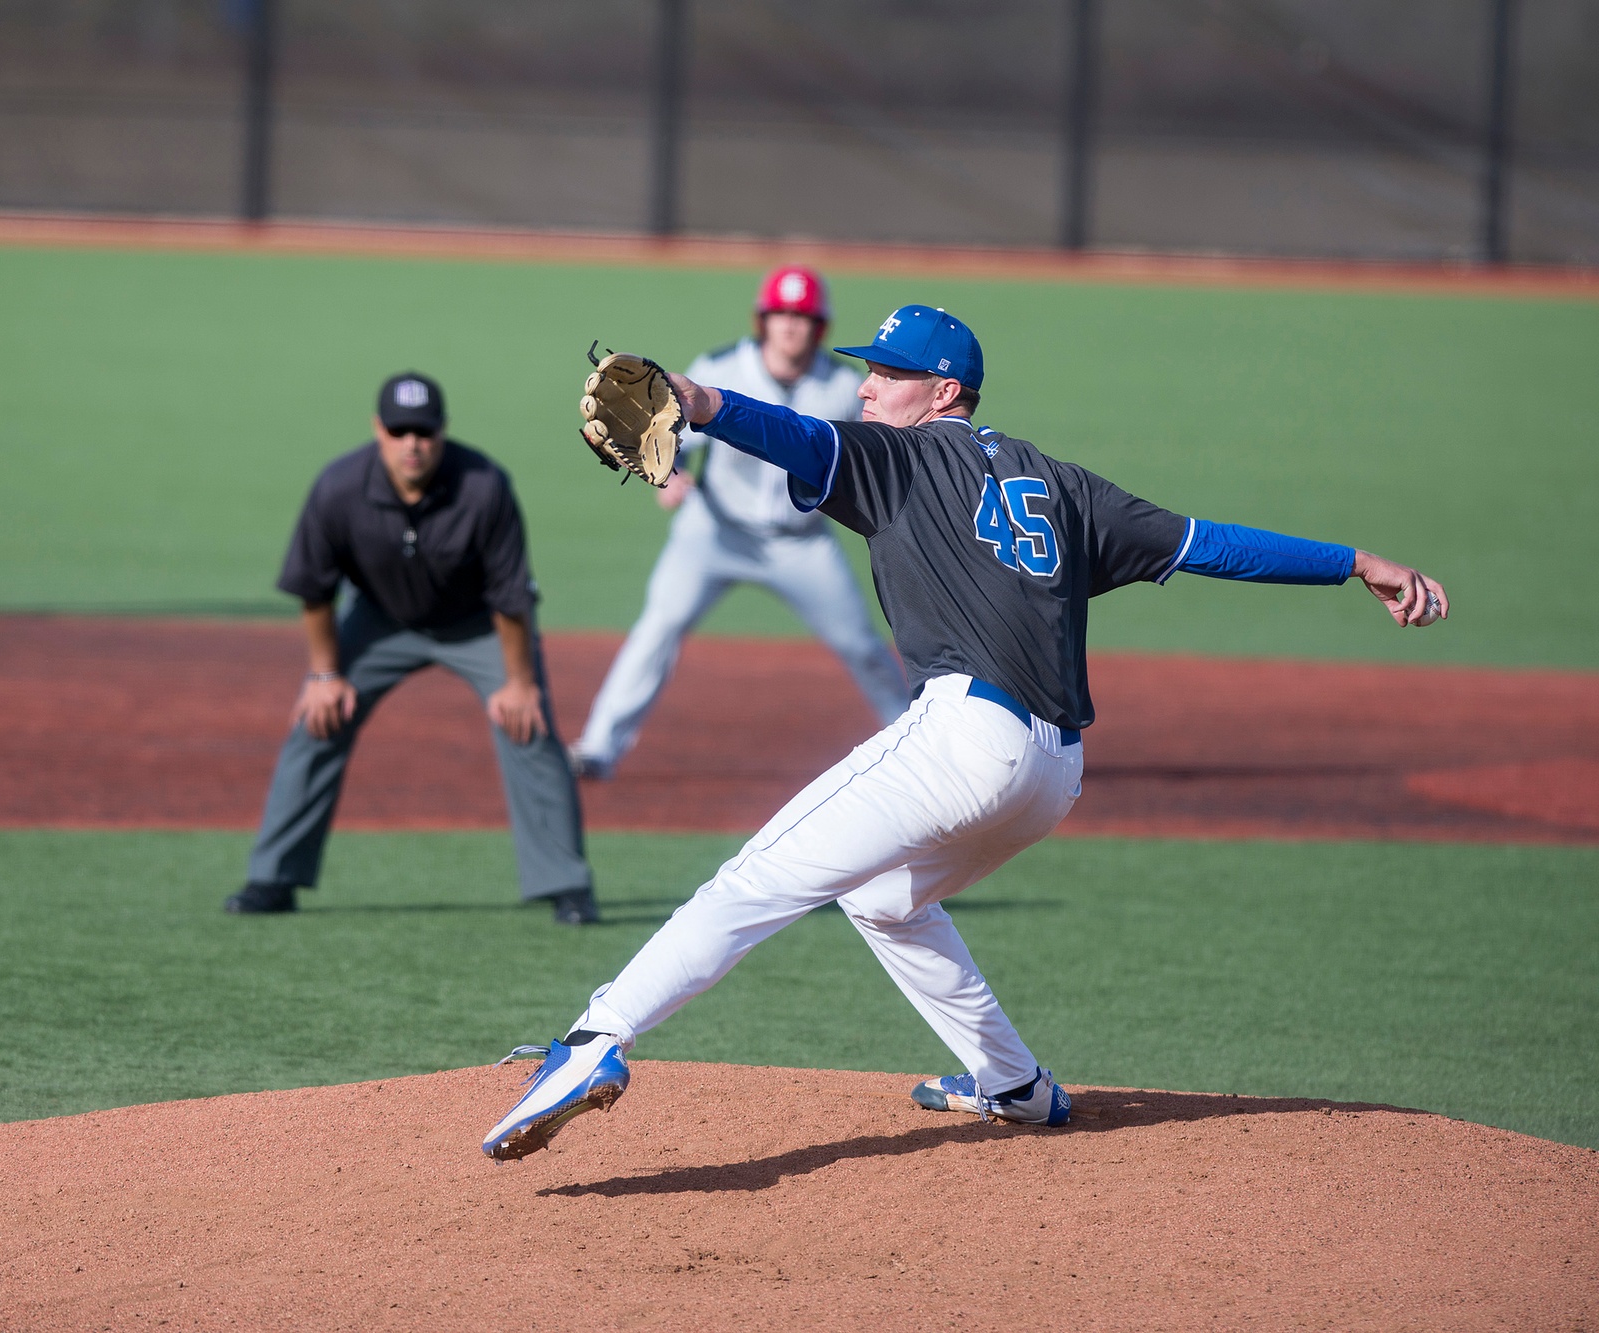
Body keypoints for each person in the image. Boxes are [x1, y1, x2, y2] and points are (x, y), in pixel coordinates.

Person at [482, 303, 1448, 1159]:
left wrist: (699, 400)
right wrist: (1355, 561)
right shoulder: (1065, 486)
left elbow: (786, 434)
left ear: (945, 392)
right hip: (1052, 776)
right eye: (866, 368)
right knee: (885, 901)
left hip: (966, 737)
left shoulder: (897, 458)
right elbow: (1210, 543)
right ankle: (1016, 1085)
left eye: (889, 374)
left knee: (755, 877)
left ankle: (593, 1041)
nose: (868, 386)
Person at [228, 372, 600, 925]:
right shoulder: (339, 488)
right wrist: (324, 675)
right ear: (378, 430)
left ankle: (566, 884)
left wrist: (520, 684)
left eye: (424, 431)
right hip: (380, 621)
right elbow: (314, 591)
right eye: (399, 430)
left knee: (528, 724)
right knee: (319, 720)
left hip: (478, 623)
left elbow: (512, 597)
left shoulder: (483, 485)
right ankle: (273, 877)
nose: (412, 444)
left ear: (442, 431)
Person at [568, 266, 909, 779]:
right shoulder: (721, 367)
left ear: (820, 327)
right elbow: (666, 436)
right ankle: (598, 748)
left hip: (801, 544)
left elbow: (869, 456)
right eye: (781, 314)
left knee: (861, 644)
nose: (791, 325)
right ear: (763, 320)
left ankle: (913, 742)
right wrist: (673, 476)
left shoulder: (842, 387)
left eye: (803, 316)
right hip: (714, 532)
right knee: (659, 626)